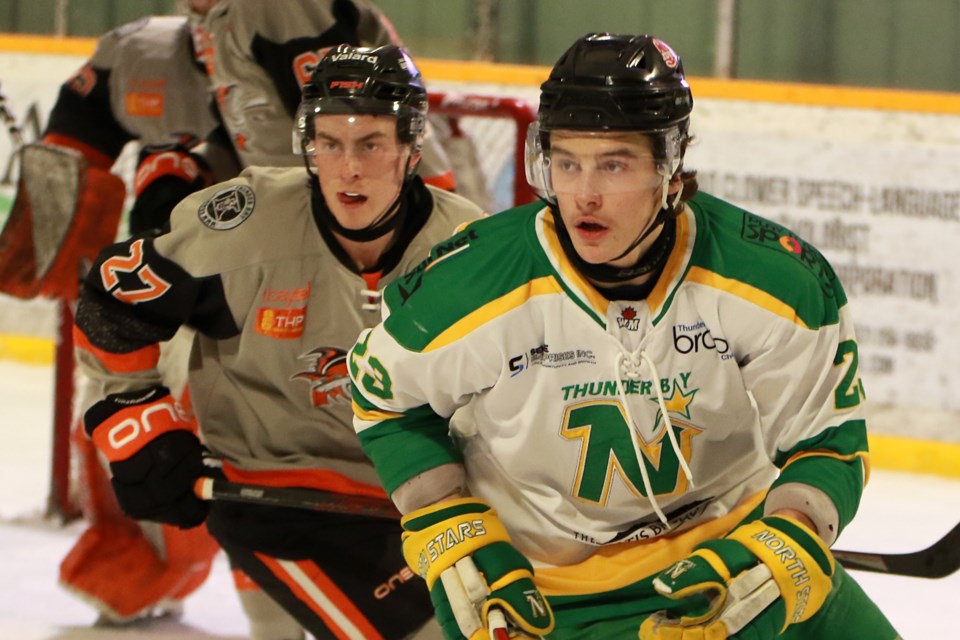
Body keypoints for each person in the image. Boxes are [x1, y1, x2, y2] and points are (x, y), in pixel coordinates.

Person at [348, 33, 901, 640]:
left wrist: (788, 537)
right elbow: (387, 401)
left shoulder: (774, 279)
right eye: (566, 163)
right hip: (553, 598)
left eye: (614, 164)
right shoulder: (471, 287)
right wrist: (448, 519)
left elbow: (827, 439)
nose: (584, 193)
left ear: (670, 167)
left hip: (735, 563)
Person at [73, 43, 484, 640]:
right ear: (306, 143)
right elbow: (114, 299)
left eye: (371, 143)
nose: (348, 168)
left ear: (410, 148)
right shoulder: (247, 221)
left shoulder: (464, 244)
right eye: (329, 142)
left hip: (416, 499)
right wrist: (135, 422)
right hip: (273, 497)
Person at [5, 14, 226, 626]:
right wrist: (57, 206)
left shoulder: (329, 40)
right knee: (115, 423)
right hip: (160, 286)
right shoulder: (141, 54)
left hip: (277, 288)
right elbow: (79, 133)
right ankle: (139, 563)